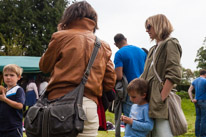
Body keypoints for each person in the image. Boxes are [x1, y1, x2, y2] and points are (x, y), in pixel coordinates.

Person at [39, 1, 116, 137]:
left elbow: (44, 66)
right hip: (88, 105)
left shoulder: (60, 37)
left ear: (68, 17)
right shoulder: (103, 45)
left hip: (58, 104)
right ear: (93, 20)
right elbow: (110, 82)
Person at [140, 14, 182, 137]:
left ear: (159, 25)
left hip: (160, 101)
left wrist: (160, 98)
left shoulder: (171, 43)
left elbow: (174, 74)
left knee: (164, 134)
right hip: (149, 99)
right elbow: (145, 75)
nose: (146, 30)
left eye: (149, 26)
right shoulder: (153, 49)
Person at [114, 33, 147, 117]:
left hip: (131, 90)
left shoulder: (119, 54)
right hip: (144, 89)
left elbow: (119, 76)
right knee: (143, 118)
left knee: (130, 119)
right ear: (126, 39)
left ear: (115, 44)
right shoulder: (141, 51)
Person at [0, 64, 25, 137]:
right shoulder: (3, 90)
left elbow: (20, 105)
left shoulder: (18, 90)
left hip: (13, 128)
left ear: (18, 77)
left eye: (12, 75)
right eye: (6, 75)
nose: (8, 77)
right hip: (2, 127)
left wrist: (5, 99)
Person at [188, 69, 206, 137]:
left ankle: (197, 134)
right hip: (204, 101)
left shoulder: (195, 81)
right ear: (205, 74)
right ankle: (203, 135)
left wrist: (192, 99)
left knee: (198, 118)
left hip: (196, 101)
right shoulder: (205, 81)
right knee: (204, 119)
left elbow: (189, 90)